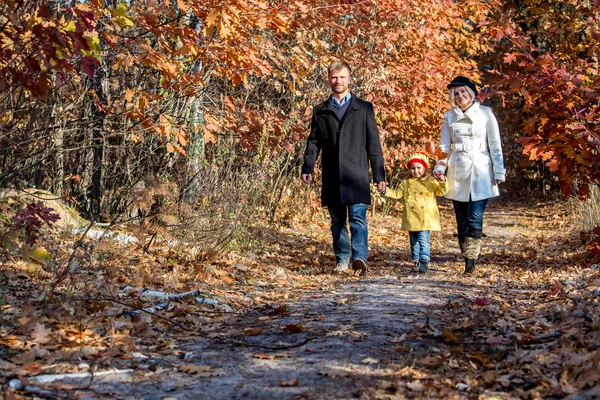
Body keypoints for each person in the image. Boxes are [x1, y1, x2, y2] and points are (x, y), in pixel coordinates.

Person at [301, 60, 386, 276]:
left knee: (358, 218)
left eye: (341, 77)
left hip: (357, 175)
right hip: (332, 175)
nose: (337, 81)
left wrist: (379, 175)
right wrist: (307, 167)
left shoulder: (364, 108)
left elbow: (373, 144)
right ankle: (342, 259)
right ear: (329, 79)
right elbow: (313, 142)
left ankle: (359, 257)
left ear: (349, 79)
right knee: (337, 222)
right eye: (334, 77)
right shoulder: (320, 110)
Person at [433, 76, 506, 274]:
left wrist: (499, 171)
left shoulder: (485, 114)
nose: (460, 96)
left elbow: (495, 145)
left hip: (480, 169)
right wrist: (440, 168)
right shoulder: (449, 116)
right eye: (456, 93)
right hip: (457, 170)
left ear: (471, 93)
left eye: (463, 92)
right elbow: (443, 147)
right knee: (461, 219)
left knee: (475, 217)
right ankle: (466, 254)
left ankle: (470, 262)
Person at [384, 152, 447, 273]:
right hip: (411, 217)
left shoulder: (430, 181)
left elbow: (441, 191)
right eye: (412, 168)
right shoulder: (406, 183)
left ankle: (424, 259)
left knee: (423, 239)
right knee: (414, 242)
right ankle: (416, 260)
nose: (415, 171)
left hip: (425, 217)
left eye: (419, 168)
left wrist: (443, 180)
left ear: (424, 168)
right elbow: (397, 194)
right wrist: (385, 190)